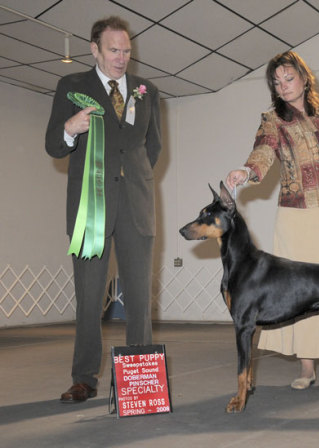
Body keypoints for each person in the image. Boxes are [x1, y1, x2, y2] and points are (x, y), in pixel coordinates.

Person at [226, 51, 319, 391]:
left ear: (304, 78)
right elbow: (264, 150)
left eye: (288, 78)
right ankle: (306, 368)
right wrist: (247, 171)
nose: (283, 86)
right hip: (294, 214)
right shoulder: (273, 119)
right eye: (277, 82)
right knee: (297, 291)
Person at [45, 16, 162, 403]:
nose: (121, 57)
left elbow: (152, 149)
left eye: (127, 50)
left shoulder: (148, 91)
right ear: (94, 49)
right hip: (89, 210)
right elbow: (53, 145)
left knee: (140, 301)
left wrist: (135, 180)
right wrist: (70, 128)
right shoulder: (72, 86)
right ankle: (84, 378)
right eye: (114, 50)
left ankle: (139, 383)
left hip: (136, 206)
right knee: (89, 298)